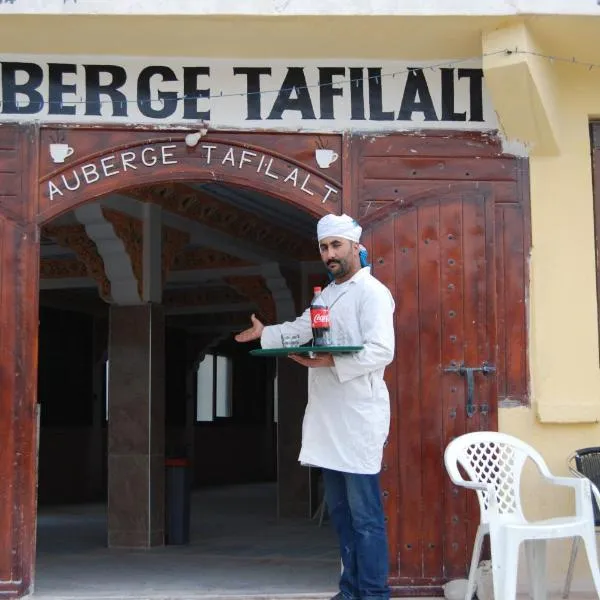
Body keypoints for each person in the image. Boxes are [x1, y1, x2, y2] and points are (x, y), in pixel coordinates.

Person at [235, 213, 395, 600]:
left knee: (366, 518)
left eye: (336, 245)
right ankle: (349, 590)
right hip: (329, 419)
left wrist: (330, 362)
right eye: (324, 247)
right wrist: (267, 333)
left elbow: (381, 351)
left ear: (356, 247)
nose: (329, 254)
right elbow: (304, 328)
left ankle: (373, 594)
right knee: (341, 515)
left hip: (357, 418)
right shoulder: (326, 296)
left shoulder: (372, 292)